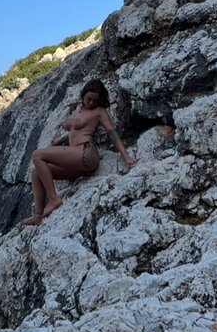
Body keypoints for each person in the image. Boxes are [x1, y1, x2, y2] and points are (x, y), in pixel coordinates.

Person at [18, 79, 135, 228]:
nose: (91, 103)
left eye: (95, 100)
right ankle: (38, 216)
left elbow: (112, 133)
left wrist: (126, 157)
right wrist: (60, 140)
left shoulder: (99, 111)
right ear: (83, 95)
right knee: (36, 172)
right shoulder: (78, 109)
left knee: (37, 155)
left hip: (86, 153)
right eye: (89, 99)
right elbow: (75, 131)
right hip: (77, 160)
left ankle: (54, 199)